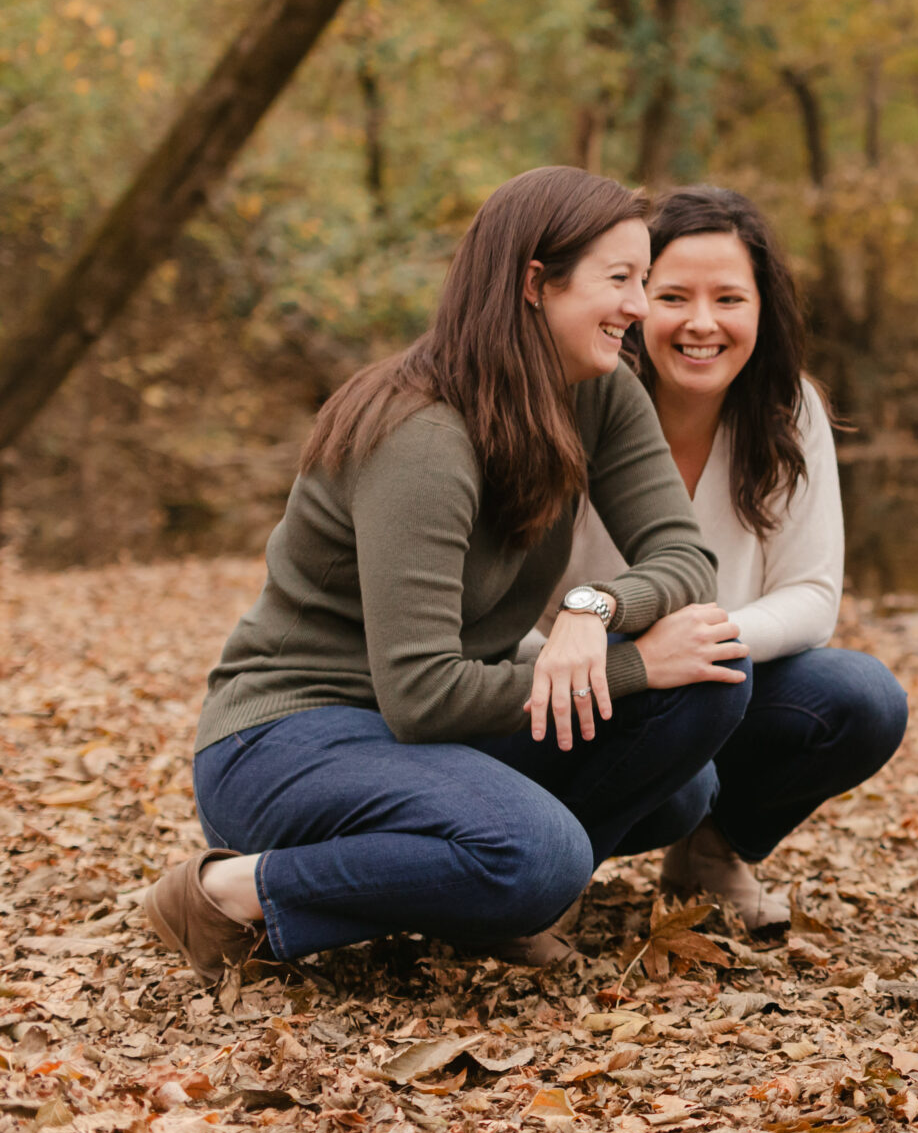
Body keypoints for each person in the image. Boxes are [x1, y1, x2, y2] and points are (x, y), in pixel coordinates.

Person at [147, 167, 745, 981]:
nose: (640, 307)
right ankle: (232, 888)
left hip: (421, 738)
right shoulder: (422, 435)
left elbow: (685, 556)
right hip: (289, 740)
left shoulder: (599, 392)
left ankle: (516, 895)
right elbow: (423, 692)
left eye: (643, 281)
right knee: (538, 849)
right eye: (620, 281)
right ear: (535, 284)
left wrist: (591, 607)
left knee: (702, 717)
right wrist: (634, 662)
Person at [521, 186, 906, 932]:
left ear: (762, 309)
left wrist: (692, 646)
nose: (702, 322)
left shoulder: (788, 412)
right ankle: (553, 865)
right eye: (672, 295)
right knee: (679, 769)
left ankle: (713, 852)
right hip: (568, 684)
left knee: (863, 698)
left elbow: (811, 596)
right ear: (632, 300)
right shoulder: (573, 406)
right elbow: (506, 605)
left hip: (718, 675)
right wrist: (619, 661)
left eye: (729, 297)